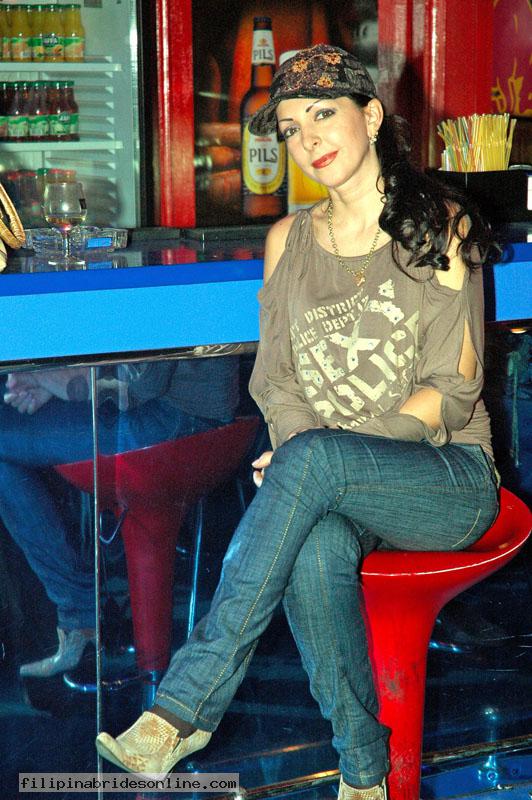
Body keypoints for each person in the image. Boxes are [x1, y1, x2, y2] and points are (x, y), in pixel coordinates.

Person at [95, 45, 500, 800]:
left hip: (444, 478)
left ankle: (182, 707)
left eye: (322, 114)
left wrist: (316, 455)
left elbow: (453, 389)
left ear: (370, 116)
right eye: (289, 128)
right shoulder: (288, 241)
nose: (307, 139)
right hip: (329, 481)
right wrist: (299, 449)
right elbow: (277, 382)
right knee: (312, 547)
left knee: (312, 463)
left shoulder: (438, 225)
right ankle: (364, 777)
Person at [0, 357, 239, 678]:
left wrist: (46, 378)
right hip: (186, 414)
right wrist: (54, 385)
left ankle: (81, 614)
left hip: (176, 421)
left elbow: (135, 385)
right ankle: (83, 617)